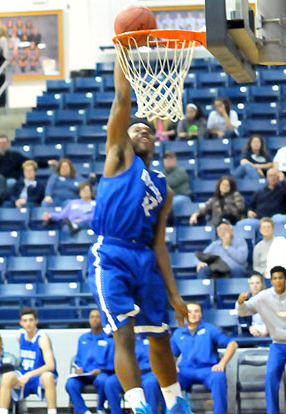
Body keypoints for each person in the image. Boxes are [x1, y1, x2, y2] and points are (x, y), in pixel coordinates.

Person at [87, 56, 193, 414]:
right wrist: (124, 52)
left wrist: (176, 295)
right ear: (124, 138)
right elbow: (122, 100)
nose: (143, 129)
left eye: (148, 129)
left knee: (160, 337)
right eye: (136, 129)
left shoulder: (165, 188)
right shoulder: (118, 157)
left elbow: (160, 244)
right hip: (112, 253)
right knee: (124, 333)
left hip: (145, 259)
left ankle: (177, 403)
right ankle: (138, 405)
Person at [171, 303, 238, 414]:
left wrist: (222, 364)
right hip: (185, 370)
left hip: (208, 370)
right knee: (167, 379)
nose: (193, 314)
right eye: (189, 311)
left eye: (196, 311)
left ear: (201, 314)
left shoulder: (210, 329)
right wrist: (172, 366)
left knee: (219, 377)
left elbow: (233, 344)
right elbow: (171, 354)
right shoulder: (178, 333)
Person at [236, 266, 286, 414]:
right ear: (271, 281)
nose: (278, 281)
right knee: (270, 377)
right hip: (277, 344)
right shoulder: (263, 296)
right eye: (275, 278)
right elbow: (246, 310)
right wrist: (240, 302)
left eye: (281, 278)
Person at [0, 307, 57, 414]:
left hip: (40, 376)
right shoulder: (19, 335)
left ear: (36, 321)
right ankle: (3, 411)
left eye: (31, 320)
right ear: (20, 322)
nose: (28, 323)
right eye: (25, 321)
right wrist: (26, 375)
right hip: (25, 374)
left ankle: (52, 412)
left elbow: (50, 365)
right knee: (6, 377)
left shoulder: (42, 338)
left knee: (48, 376)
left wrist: (29, 375)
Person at [65, 309, 113, 414]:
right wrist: (78, 368)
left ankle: (100, 408)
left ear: (102, 320)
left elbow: (112, 362)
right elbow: (78, 359)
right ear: (89, 319)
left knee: (103, 380)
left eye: (97, 317)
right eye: (92, 317)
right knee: (70, 384)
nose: (94, 319)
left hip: (101, 374)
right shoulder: (82, 338)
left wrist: (101, 370)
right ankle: (83, 411)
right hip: (84, 375)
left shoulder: (109, 338)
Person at [104, 335, 165, 414]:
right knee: (110, 382)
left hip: (148, 372)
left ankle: (151, 412)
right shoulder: (123, 335)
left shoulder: (151, 334)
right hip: (127, 373)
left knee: (151, 382)